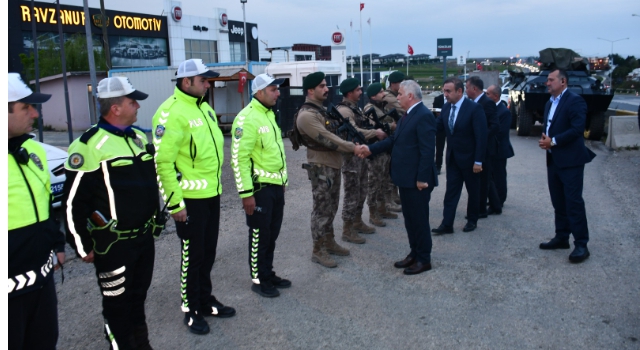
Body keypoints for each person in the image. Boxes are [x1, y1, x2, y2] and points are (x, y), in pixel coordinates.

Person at [63, 77, 160, 349]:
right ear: (115, 108)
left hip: (143, 240)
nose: (138, 105)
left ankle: (141, 345)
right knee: (117, 305)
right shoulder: (88, 146)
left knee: (137, 298)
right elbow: (72, 204)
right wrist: (82, 246)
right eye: (132, 101)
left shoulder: (139, 137)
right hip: (113, 246)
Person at [152, 59, 235, 335]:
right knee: (192, 255)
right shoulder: (171, 113)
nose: (207, 84)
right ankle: (190, 309)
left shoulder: (205, 108)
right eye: (203, 80)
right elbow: (163, 164)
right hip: (189, 200)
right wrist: (175, 204)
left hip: (211, 194)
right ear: (186, 82)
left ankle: (205, 299)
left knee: (208, 253)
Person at [355, 80, 438, 275]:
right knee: (410, 220)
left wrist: (421, 179)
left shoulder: (423, 115)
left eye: (400, 94)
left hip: (417, 181)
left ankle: (424, 259)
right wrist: (370, 149)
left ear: (410, 96)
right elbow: (394, 140)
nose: (396, 97)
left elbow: (427, 151)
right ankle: (414, 253)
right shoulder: (408, 115)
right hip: (406, 178)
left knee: (419, 220)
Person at [8, 72, 65, 350]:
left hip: (42, 282)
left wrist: (57, 244)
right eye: (26, 107)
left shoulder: (32, 150)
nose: (35, 113)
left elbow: (45, 205)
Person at [293, 71, 363, 268]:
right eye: (322, 86)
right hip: (321, 167)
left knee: (332, 206)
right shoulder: (307, 115)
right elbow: (329, 139)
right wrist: (353, 147)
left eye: (326, 85)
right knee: (322, 209)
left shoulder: (321, 111)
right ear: (310, 90)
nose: (327, 89)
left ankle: (329, 241)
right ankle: (318, 249)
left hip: (332, 165)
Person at [231, 73, 290, 298]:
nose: (278, 93)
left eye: (277, 89)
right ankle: (258, 279)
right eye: (274, 89)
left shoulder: (268, 115)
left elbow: (276, 154)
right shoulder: (247, 118)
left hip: (275, 187)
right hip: (259, 189)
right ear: (259, 92)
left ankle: (268, 272)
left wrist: (283, 181)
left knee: (271, 234)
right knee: (259, 235)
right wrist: (246, 194)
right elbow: (239, 159)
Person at [538, 68, 596, 263]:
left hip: (571, 161)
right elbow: (550, 126)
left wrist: (553, 141)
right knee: (558, 201)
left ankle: (581, 244)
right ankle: (562, 237)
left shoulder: (575, 101)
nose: (547, 83)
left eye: (551, 80)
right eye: (547, 80)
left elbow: (577, 129)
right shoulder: (549, 103)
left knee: (573, 202)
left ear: (563, 82)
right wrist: (546, 139)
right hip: (554, 159)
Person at [432, 77, 487, 234]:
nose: (445, 94)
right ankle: (447, 224)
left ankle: (472, 220)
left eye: (448, 91)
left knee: (473, 191)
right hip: (453, 159)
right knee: (451, 193)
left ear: (460, 91)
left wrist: (478, 161)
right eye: (444, 91)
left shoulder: (474, 109)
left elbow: (481, 137)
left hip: (470, 160)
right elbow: (438, 128)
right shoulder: (446, 108)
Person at [337, 78, 386, 244]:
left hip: (361, 157)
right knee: (352, 193)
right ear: (350, 92)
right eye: (358, 90)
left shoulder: (354, 108)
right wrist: (375, 134)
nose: (360, 92)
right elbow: (355, 130)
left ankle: (357, 221)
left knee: (362, 190)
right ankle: (347, 229)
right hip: (351, 159)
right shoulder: (344, 110)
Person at [363, 83, 399, 228]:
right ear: (373, 96)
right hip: (376, 150)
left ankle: (383, 207)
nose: (383, 93)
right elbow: (383, 124)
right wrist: (392, 125)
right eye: (380, 92)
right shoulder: (369, 109)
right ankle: (373, 213)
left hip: (385, 148)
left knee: (384, 180)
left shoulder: (381, 106)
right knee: (374, 182)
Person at [465, 76, 500, 217]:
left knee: (484, 180)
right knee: (481, 180)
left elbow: (495, 125)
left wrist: (481, 136)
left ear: (474, 88)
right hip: (477, 148)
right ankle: (494, 205)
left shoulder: (487, 103)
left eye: (467, 87)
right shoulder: (472, 103)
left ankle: (481, 210)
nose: (466, 90)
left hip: (485, 148)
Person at [486, 85, 514, 206]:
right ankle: (493, 198)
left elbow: (501, 132)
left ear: (496, 96)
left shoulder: (504, 111)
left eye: (488, 94)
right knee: (491, 175)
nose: (486, 96)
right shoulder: (491, 109)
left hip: (499, 150)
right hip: (491, 149)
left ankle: (500, 200)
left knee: (499, 176)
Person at [383, 71, 406, 207]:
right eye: (400, 83)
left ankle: (393, 195)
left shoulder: (394, 95)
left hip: (394, 133)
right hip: (389, 134)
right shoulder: (389, 97)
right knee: (389, 168)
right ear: (393, 84)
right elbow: (404, 108)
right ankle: (389, 198)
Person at [432, 92, 446, 175]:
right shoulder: (438, 99)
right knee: (439, 148)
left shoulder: (454, 99)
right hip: (441, 127)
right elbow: (434, 112)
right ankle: (438, 166)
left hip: (452, 127)